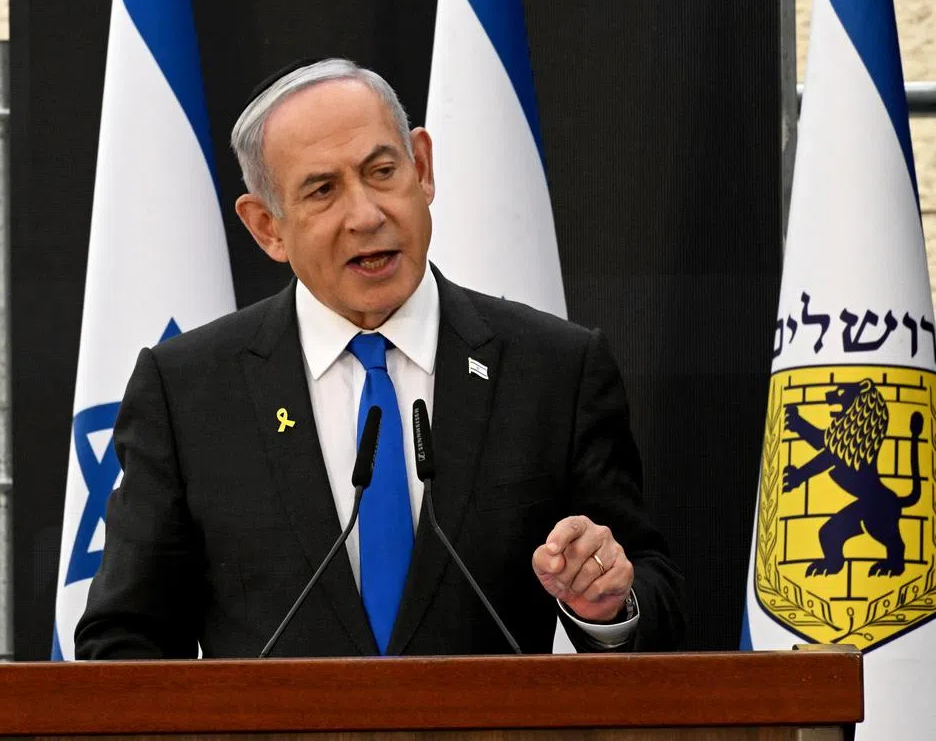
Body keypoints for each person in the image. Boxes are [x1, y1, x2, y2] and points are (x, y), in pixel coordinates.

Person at [74, 58, 684, 659]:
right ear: (268, 228)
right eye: (322, 190)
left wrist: (609, 605)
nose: (366, 215)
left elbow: (655, 595)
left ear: (421, 168)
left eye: (382, 171)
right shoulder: (188, 392)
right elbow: (124, 639)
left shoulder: (555, 370)